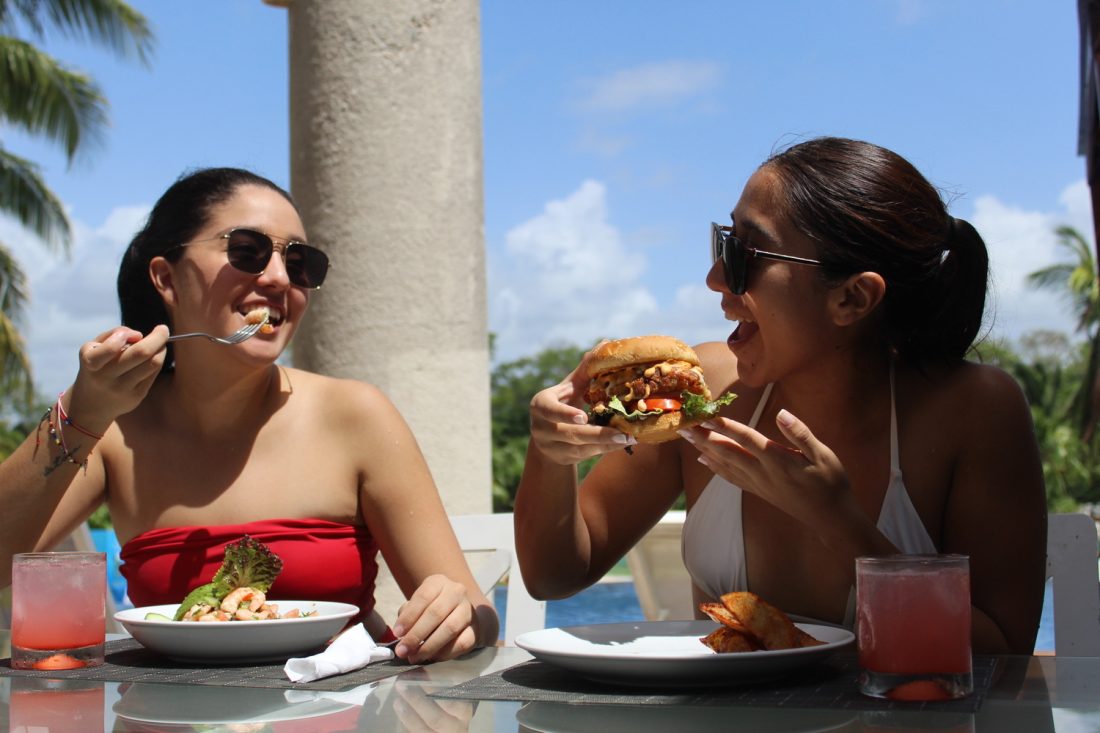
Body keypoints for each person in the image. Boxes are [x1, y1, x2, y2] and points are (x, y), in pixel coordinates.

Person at [514, 136, 1047, 655]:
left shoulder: (972, 410)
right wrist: (550, 453)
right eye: (724, 242)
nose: (714, 277)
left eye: (746, 255)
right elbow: (554, 577)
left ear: (852, 297)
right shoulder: (701, 391)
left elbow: (1004, 652)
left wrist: (838, 522)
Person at [0, 167, 498, 662]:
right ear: (166, 279)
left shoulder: (355, 415)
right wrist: (82, 412)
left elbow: (476, 613)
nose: (279, 278)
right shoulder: (114, 428)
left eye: (300, 263)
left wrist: (455, 614)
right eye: (246, 251)